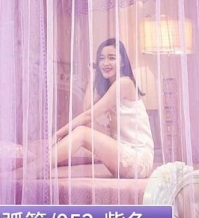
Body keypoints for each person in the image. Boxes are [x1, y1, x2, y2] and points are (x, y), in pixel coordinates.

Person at [51, 38, 154, 179]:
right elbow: (87, 110)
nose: (105, 63)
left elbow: (88, 115)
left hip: (138, 161)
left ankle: (37, 166)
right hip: (122, 155)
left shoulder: (124, 83)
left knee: (82, 133)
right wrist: (92, 77)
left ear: (122, 62)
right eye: (101, 58)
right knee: (87, 125)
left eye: (111, 58)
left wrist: (58, 134)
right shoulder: (110, 86)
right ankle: (41, 164)